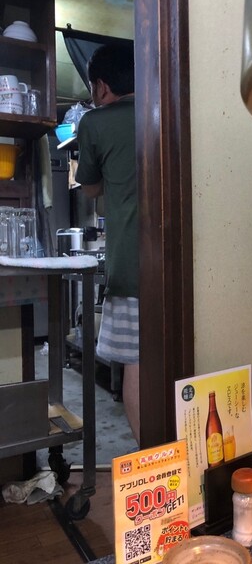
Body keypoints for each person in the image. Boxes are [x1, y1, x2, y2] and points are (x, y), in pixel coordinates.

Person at [75, 43, 139, 445]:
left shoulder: (94, 123)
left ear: (101, 86)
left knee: (137, 367)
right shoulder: (165, 110)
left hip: (130, 263)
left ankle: (154, 463)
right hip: (182, 260)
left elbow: (90, 188)